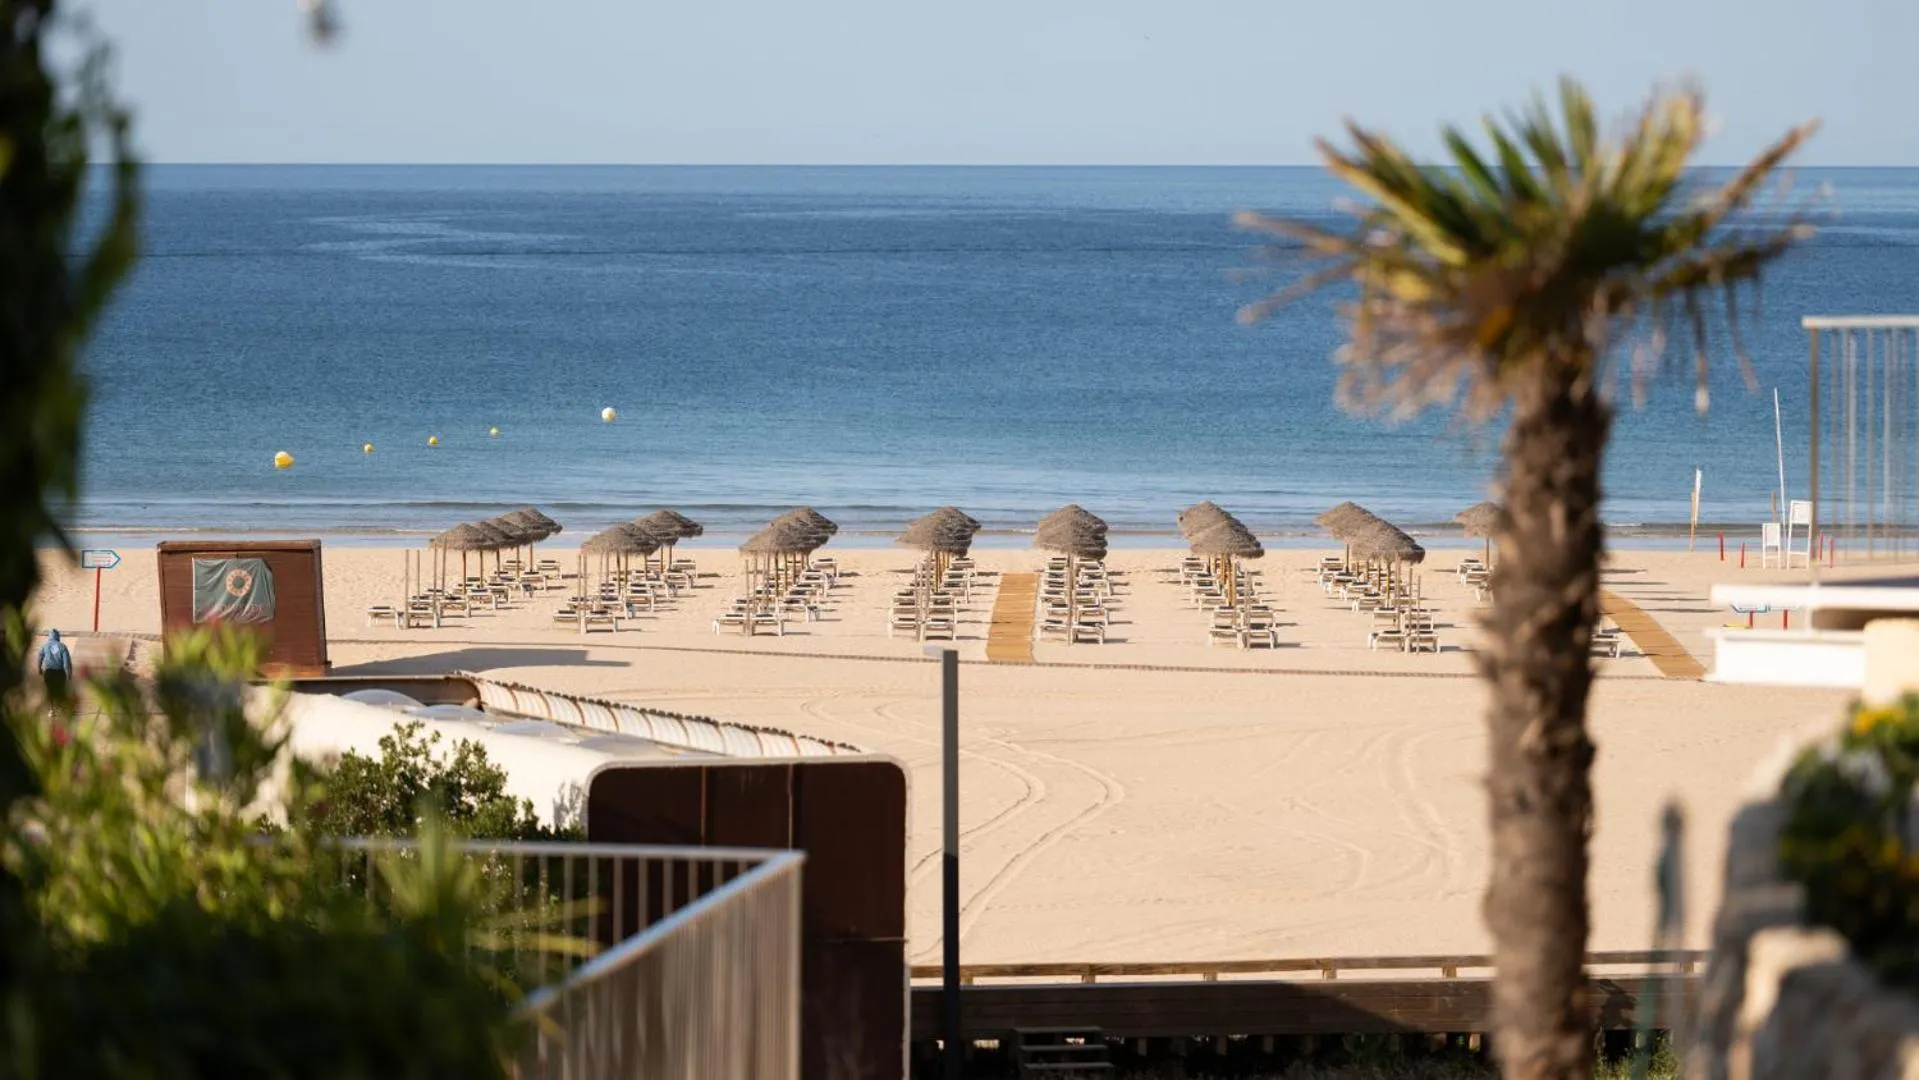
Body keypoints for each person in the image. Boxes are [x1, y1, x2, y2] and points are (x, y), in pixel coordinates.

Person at [37, 628, 73, 703]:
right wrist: (69, 674)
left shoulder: (44, 646)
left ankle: (51, 709)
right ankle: (60, 705)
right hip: (60, 672)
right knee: (60, 690)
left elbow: (39, 658)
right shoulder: (63, 646)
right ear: (58, 636)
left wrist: (39, 669)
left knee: (50, 690)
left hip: (48, 672)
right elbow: (66, 663)